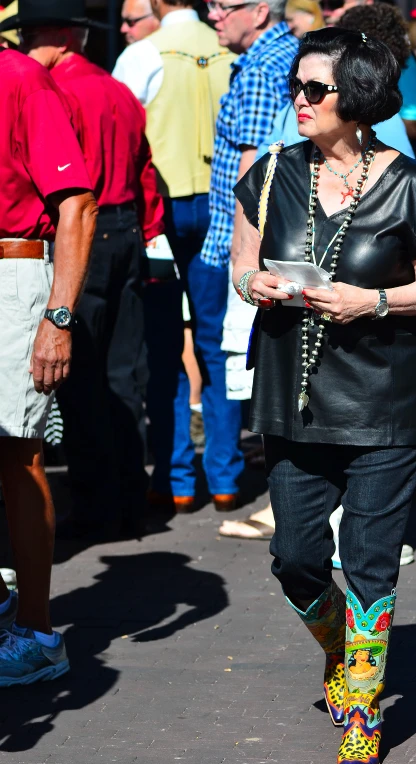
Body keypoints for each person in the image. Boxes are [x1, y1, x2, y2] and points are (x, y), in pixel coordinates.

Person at [233, 28, 416, 764]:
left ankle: (361, 707)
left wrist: (376, 300)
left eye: (314, 90)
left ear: (356, 98)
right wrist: (254, 284)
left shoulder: (411, 182)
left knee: (367, 558)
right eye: (296, 87)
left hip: (390, 399)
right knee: (295, 556)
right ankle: (344, 646)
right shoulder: (271, 174)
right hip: (294, 394)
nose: (297, 102)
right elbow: (243, 263)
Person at [9, 0, 165, 539]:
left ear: (55, 37)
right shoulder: (117, 90)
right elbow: (146, 168)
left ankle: (98, 504)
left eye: (29, 36)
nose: (24, 47)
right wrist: (144, 230)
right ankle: (129, 495)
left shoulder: (54, 90)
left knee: (78, 378)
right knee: (123, 372)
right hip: (126, 229)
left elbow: (68, 192)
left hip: (84, 235)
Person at [114, 0, 236, 514]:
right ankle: (225, 476)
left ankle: (175, 476)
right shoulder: (228, 50)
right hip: (221, 205)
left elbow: (122, 133)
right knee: (216, 342)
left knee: (163, 349)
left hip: (161, 210)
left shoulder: (143, 54)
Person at [0, 35, 97, 684]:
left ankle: (36, 630)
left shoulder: (19, 78)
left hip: (12, 278)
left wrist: (58, 318)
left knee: (15, 450)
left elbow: (78, 206)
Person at [196, 0, 298, 512]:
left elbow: (253, 175)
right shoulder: (283, 56)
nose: (212, 14)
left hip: (246, 244)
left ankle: (231, 477)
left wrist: (236, 254)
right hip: (277, 242)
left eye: (221, 5)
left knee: (230, 357)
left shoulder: (261, 67)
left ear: (259, 11)